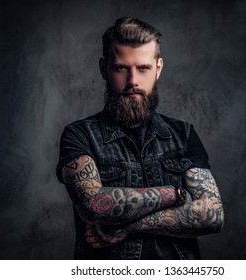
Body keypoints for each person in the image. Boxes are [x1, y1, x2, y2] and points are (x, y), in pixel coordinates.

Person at [56, 17, 224, 260]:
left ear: (158, 68)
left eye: (143, 68)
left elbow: (212, 216)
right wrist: (175, 195)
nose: (133, 81)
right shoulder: (79, 135)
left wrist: (129, 226)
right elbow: (93, 204)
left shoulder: (183, 134)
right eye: (121, 68)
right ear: (104, 69)